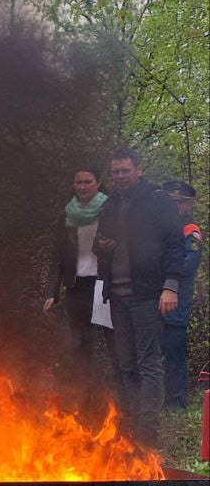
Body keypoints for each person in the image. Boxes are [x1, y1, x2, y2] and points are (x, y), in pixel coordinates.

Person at [95, 146, 183, 446]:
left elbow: (175, 245)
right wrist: (102, 247)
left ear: (139, 169)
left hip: (147, 295)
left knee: (149, 363)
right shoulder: (108, 206)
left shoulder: (158, 201)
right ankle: (132, 428)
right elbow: (101, 244)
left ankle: (148, 432)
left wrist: (170, 286)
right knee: (126, 364)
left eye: (125, 170)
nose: (120, 176)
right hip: (116, 297)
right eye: (116, 171)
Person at [43, 166, 118, 409]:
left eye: (88, 182)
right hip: (77, 286)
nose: (83, 186)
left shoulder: (110, 210)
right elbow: (57, 257)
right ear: (73, 185)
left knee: (112, 341)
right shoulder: (67, 216)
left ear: (98, 183)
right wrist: (51, 292)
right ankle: (84, 398)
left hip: (104, 284)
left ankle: (119, 397)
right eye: (79, 182)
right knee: (79, 344)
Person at [161, 180, 203, 410]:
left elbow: (187, 266)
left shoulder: (191, 232)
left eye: (180, 202)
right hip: (155, 299)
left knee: (174, 353)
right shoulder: (161, 228)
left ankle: (176, 403)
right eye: (171, 201)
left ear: (188, 205)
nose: (176, 206)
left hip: (178, 300)